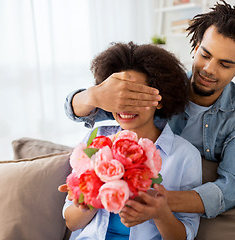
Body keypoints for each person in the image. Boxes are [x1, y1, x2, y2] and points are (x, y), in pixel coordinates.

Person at [64, 1, 235, 220]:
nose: (209, 69)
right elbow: (88, 111)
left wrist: (153, 200)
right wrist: (93, 95)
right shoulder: (161, 86)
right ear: (196, 46)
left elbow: (234, 185)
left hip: (179, 209)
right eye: (205, 55)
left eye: (225, 64)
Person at [62, 42, 202, 240]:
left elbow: (184, 236)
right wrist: (91, 194)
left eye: (135, 96)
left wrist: (160, 213)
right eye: (119, 96)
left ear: (160, 99)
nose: (125, 106)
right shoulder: (96, 140)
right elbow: (71, 222)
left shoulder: (184, 156)